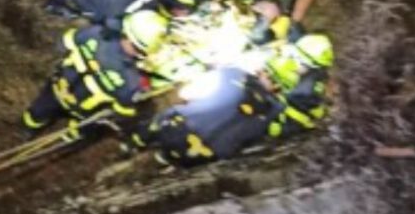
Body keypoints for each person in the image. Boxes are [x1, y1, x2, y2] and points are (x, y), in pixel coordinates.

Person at [130, 33, 334, 168]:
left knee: (169, 114)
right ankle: (152, 154)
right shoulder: (274, 112)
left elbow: (187, 94)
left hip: (175, 131)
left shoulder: (231, 74)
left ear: (260, 70)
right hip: (205, 158)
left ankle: (134, 144)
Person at [22, 9, 170, 139]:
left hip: (58, 88)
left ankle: (28, 129)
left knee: (38, 112)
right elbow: (122, 111)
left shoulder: (96, 34)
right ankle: (66, 138)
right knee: (80, 130)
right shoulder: (132, 81)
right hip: (84, 111)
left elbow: (66, 41)